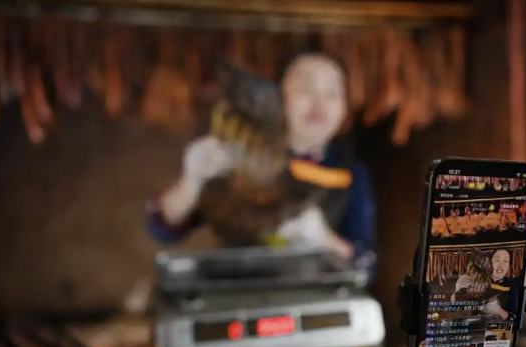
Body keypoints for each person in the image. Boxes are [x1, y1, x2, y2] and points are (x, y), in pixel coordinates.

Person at [144, 49, 375, 263]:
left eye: (333, 93)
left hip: (313, 290)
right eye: (305, 89)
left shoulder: (350, 173)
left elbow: (364, 261)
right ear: (277, 97)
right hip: (239, 286)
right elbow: (163, 230)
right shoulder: (244, 156)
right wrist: (190, 183)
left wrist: (323, 238)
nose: (320, 103)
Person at [453, 249, 519, 321]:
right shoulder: (476, 280)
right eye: (497, 260)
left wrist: (498, 310)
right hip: (475, 325)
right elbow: (455, 308)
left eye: (505, 261)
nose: (501, 265)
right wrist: (457, 291)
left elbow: (514, 319)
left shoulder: (511, 286)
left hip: (497, 326)